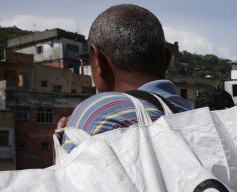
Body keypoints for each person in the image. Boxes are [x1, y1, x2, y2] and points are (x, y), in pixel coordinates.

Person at [56, 4, 191, 150]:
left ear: (97, 60)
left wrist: (60, 146)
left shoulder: (98, 112)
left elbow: (68, 172)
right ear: (166, 60)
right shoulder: (190, 113)